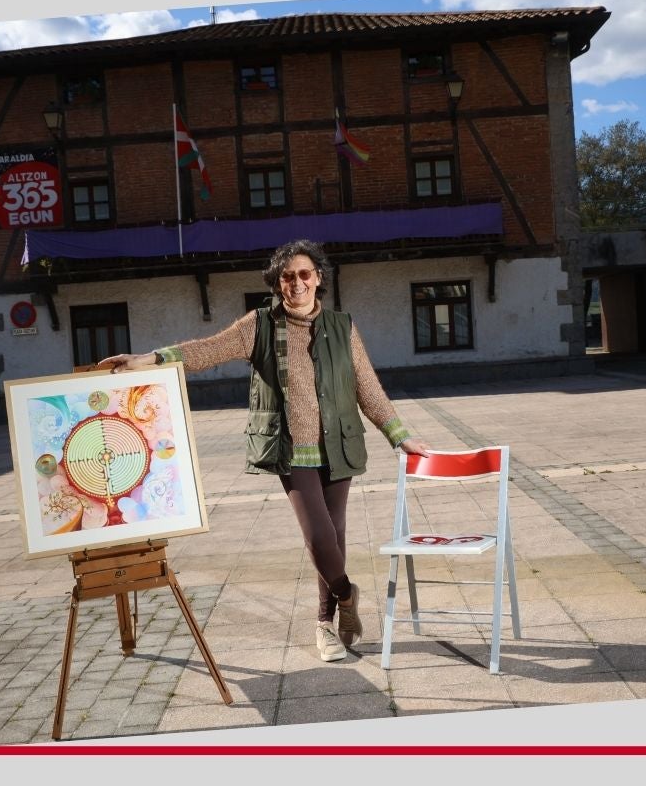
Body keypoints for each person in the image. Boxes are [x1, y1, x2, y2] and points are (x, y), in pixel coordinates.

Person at [101, 239, 431, 663]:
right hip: (291, 449)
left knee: (335, 536)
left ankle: (325, 625)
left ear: (318, 279)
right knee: (317, 535)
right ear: (277, 283)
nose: (297, 284)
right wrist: (152, 358)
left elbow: (367, 389)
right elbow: (208, 350)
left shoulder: (342, 326)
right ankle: (347, 596)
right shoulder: (258, 325)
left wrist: (399, 435)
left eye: (304, 274)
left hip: (338, 446)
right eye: (288, 276)